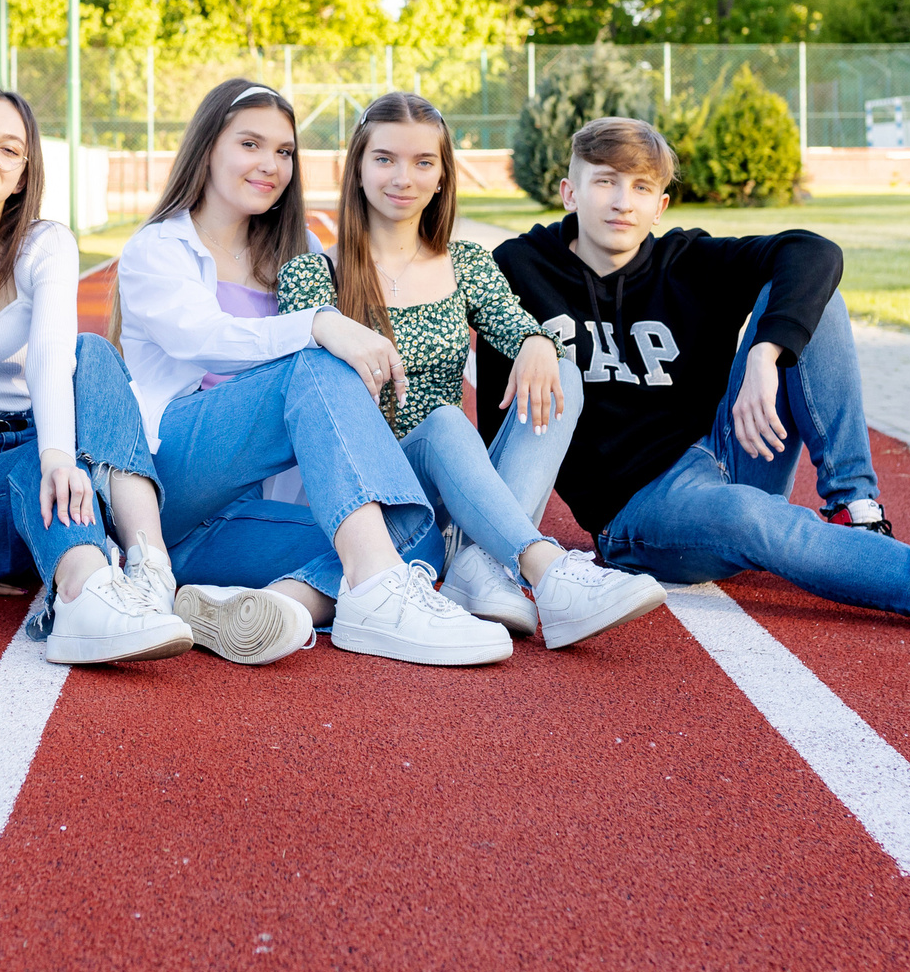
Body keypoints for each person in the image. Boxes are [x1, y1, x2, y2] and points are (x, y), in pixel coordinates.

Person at [475, 117, 910, 654]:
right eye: (604, 181)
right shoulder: (520, 269)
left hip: (731, 445)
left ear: (660, 205)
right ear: (568, 191)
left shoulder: (685, 259)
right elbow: (503, 435)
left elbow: (814, 250)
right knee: (757, 520)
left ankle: (856, 506)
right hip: (642, 510)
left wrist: (767, 355)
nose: (621, 202)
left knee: (812, 299)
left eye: (641, 187)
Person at [118, 78, 512, 668]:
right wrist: (319, 323)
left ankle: (272, 607)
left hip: (231, 524)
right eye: (250, 144)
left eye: (283, 151)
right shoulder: (159, 248)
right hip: (177, 479)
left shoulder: (297, 250)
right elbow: (203, 338)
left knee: (416, 533)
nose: (270, 165)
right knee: (319, 361)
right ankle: (375, 594)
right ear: (208, 148)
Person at [276, 92, 667, 650]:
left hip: (453, 492)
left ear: (441, 177)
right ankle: (543, 569)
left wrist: (537, 342)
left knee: (563, 375)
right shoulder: (312, 276)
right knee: (444, 420)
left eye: (423, 162)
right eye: (385, 158)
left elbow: (516, 325)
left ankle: (479, 562)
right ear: (357, 168)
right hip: (369, 499)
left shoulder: (466, 264)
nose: (403, 177)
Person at [0, 85, 191, 664]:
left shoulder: (44, 244)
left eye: (9, 149)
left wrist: (58, 455)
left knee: (91, 350)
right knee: (45, 468)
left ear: (21, 177)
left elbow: (50, 356)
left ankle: (147, 566)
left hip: (51, 451)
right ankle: (86, 592)